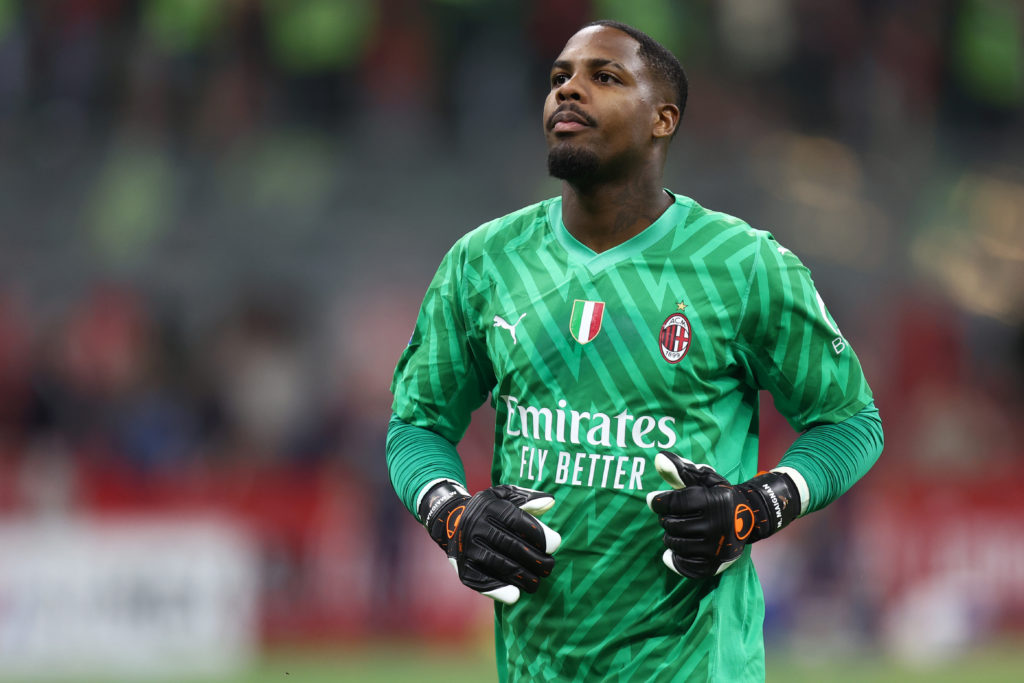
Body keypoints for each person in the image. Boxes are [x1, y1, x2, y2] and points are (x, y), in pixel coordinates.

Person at [386, 19, 883, 682]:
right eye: (559, 77)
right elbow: (416, 424)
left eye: (604, 77)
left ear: (663, 119)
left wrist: (758, 506)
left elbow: (850, 421)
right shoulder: (483, 262)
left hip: (696, 664)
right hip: (538, 665)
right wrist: (450, 514)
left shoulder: (745, 266)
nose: (569, 90)